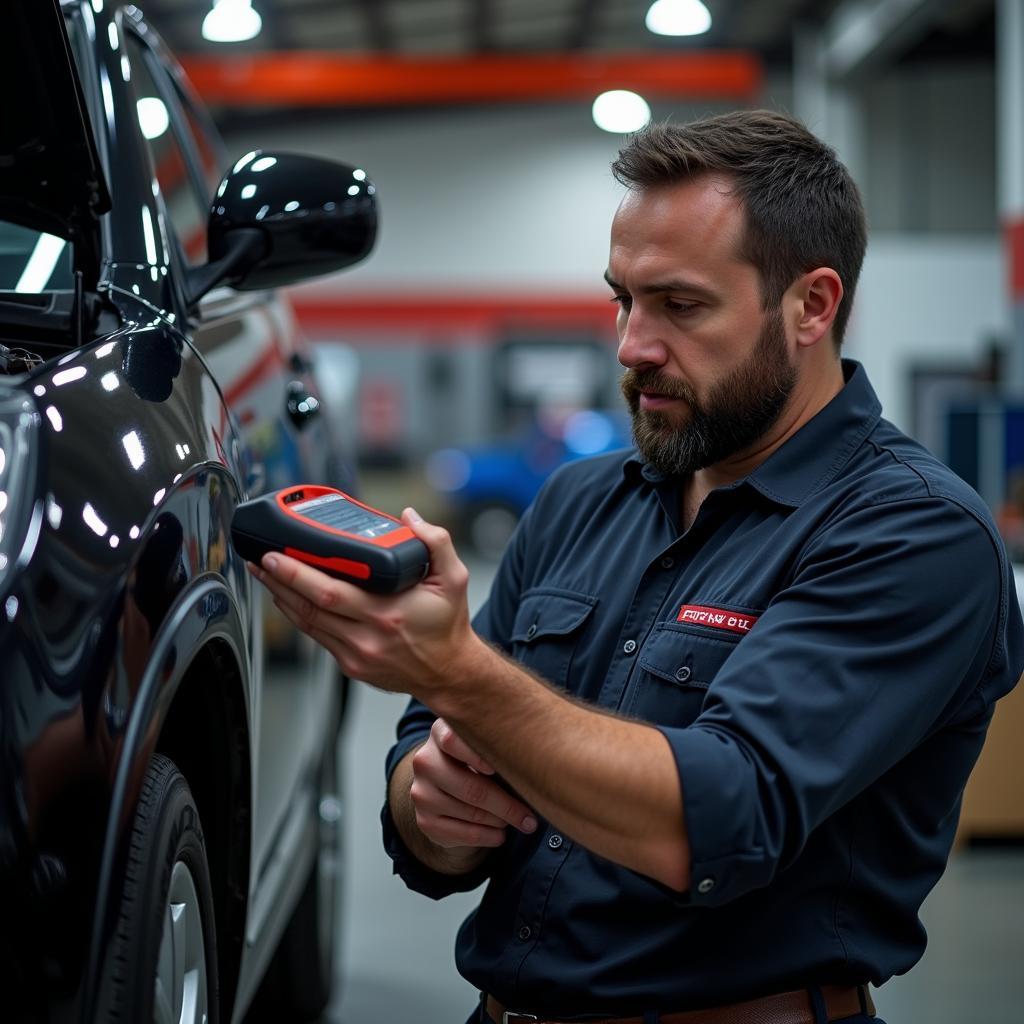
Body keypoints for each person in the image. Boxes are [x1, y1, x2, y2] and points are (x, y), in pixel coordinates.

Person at [251, 110, 1023, 1024]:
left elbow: (720, 815)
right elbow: (423, 790)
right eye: (623, 298)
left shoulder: (912, 534)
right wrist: (435, 806)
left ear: (812, 305)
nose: (631, 345)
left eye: (681, 305)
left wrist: (454, 669)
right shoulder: (583, 499)